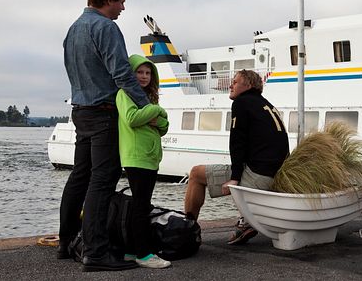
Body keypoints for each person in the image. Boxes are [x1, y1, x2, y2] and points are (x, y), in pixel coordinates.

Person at [58, 0, 149, 272]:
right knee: (103, 179)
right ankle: (96, 253)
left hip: (80, 111)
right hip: (103, 112)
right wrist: (147, 106)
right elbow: (122, 73)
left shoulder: (73, 30)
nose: (123, 7)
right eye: (121, 1)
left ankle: (67, 242)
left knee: (79, 177)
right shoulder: (106, 27)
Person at [183, 69, 288, 244]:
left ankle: (187, 228)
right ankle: (246, 220)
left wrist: (235, 178)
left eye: (235, 82)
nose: (230, 85)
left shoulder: (242, 102)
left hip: (259, 177)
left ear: (248, 85)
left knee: (195, 174)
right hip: (276, 174)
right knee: (247, 164)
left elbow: (237, 142)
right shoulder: (267, 105)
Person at [117, 55, 170, 269]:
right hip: (137, 156)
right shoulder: (125, 94)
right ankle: (144, 253)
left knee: (140, 204)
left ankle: (131, 250)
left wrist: (157, 117)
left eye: (148, 73)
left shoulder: (147, 98)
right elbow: (132, 118)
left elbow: (164, 127)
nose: (144, 76)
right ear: (131, 73)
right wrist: (158, 111)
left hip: (149, 158)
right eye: (140, 72)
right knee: (141, 206)